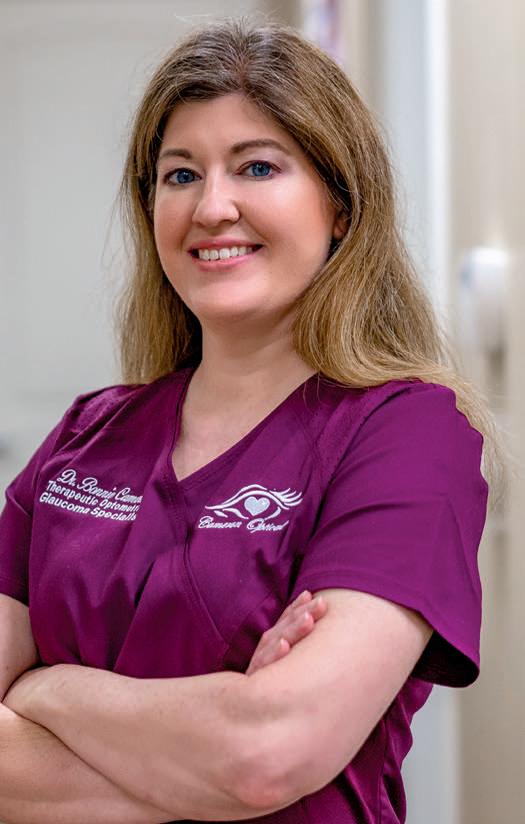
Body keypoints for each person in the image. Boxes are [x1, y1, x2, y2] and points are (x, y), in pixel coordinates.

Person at [0, 17, 504, 824]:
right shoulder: (85, 437)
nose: (211, 207)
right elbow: (245, 762)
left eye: (257, 167)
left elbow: (267, 754)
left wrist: (45, 690)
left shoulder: (408, 435)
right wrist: (210, 743)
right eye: (179, 174)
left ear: (340, 206)